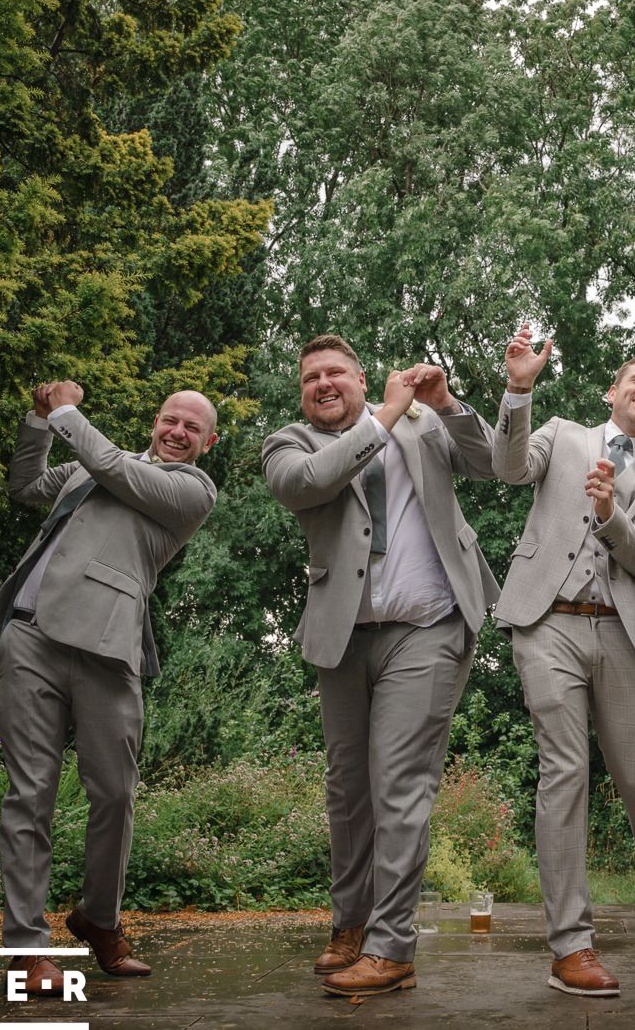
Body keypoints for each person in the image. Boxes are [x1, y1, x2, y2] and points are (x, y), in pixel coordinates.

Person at [261, 335, 499, 998]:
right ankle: (351, 922)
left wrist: (447, 401)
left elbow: (491, 461)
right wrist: (385, 417)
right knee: (347, 790)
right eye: (311, 376)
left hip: (427, 628)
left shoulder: (423, 424)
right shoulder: (289, 442)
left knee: (399, 783)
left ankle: (393, 946)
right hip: (343, 638)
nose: (324, 382)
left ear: (362, 377)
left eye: (336, 371)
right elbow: (307, 484)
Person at [0, 381, 219, 996]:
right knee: (30, 791)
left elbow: (114, 466)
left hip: (109, 649)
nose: (176, 432)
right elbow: (24, 487)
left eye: (190, 428)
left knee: (115, 793)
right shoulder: (83, 468)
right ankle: (27, 947)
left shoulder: (192, 490)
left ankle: (99, 918)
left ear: (207, 442)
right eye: (170, 419)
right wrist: (39, 422)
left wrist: (68, 412)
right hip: (31, 637)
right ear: (155, 420)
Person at [490, 329, 635, 996]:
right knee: (564, 771)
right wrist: (519, 388)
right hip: (547, 623)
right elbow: (510, 468)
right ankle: (571, 944)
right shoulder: (564, 433)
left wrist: (610, 517)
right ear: (614, 390)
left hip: (623, 636)